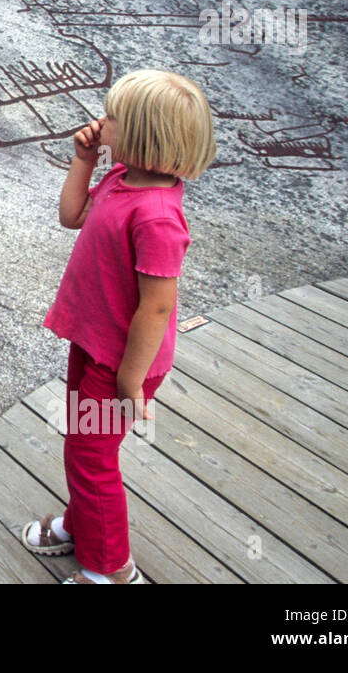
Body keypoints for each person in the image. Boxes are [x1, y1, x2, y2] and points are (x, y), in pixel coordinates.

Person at [22, 69, 217, 583]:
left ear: (142, 136)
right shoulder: (120, 176)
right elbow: (71, 215)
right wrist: (84, 161)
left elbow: (156, 308)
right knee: (82, 447)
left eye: (112, 117)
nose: (100, 121)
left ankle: (110, 569)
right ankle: (83, 523)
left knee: (92, 458)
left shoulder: (157, 217)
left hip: (122, 362)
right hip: (93, 342)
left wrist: (132, 381)